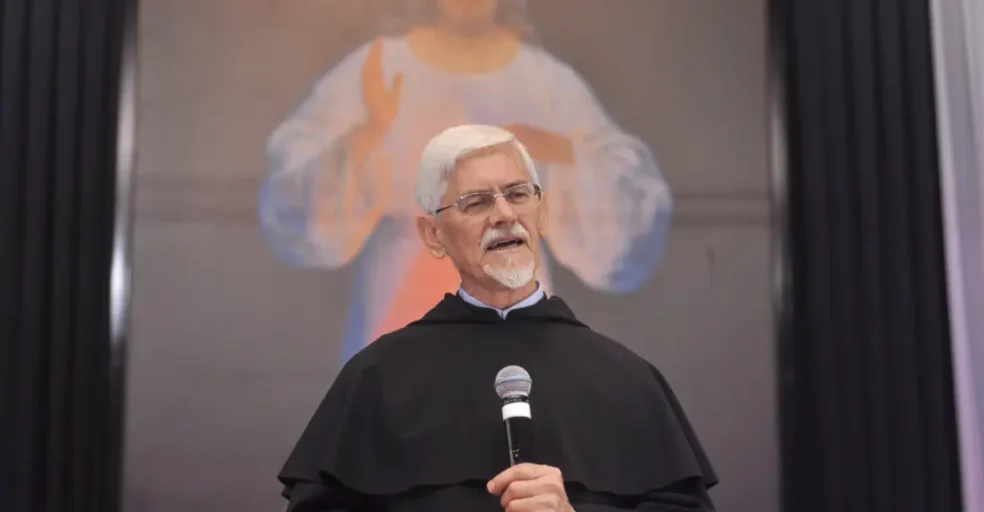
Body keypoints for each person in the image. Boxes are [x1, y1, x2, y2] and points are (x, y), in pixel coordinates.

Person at [277, 125, 716, 511]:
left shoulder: (627, 379)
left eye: (518, 194)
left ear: (542, 213)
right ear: (434, 235)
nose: (505, 215)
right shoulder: (377, 376)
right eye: (476, 202)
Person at [258, 0, 674, 365]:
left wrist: (560, 151)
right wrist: (368, 133)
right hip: (403, 297)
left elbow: (626, 207)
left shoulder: (543, 80)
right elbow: (298, 191)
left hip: (511, 296)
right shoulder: (382, 64)